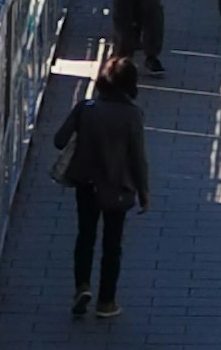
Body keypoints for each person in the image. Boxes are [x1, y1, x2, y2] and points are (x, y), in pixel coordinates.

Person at [53, 42, 153, 318]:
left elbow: (59, 140)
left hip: (86, 182)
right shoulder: (132, 115)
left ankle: (82, 285)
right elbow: (137, 158)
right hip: (117, 187)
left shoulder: (86, 108)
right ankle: (106, 301)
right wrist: (144, 193)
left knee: (85, 235)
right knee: (112, 244)